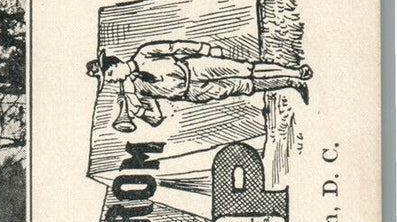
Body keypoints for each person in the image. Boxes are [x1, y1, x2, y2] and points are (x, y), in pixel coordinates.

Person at [86, 42, 312, 131]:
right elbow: (156, 118)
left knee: (246, 70)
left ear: (114, 65)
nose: (113, 81)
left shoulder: (144, 53)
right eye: (110, 81)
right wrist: (138, 112)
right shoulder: (137, 88)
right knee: (245, 86)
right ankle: (291, 83)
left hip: (196, 67)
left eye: (111, 76)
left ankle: (295, 71)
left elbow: (175, 46)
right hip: (193, 92)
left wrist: (205, 49)